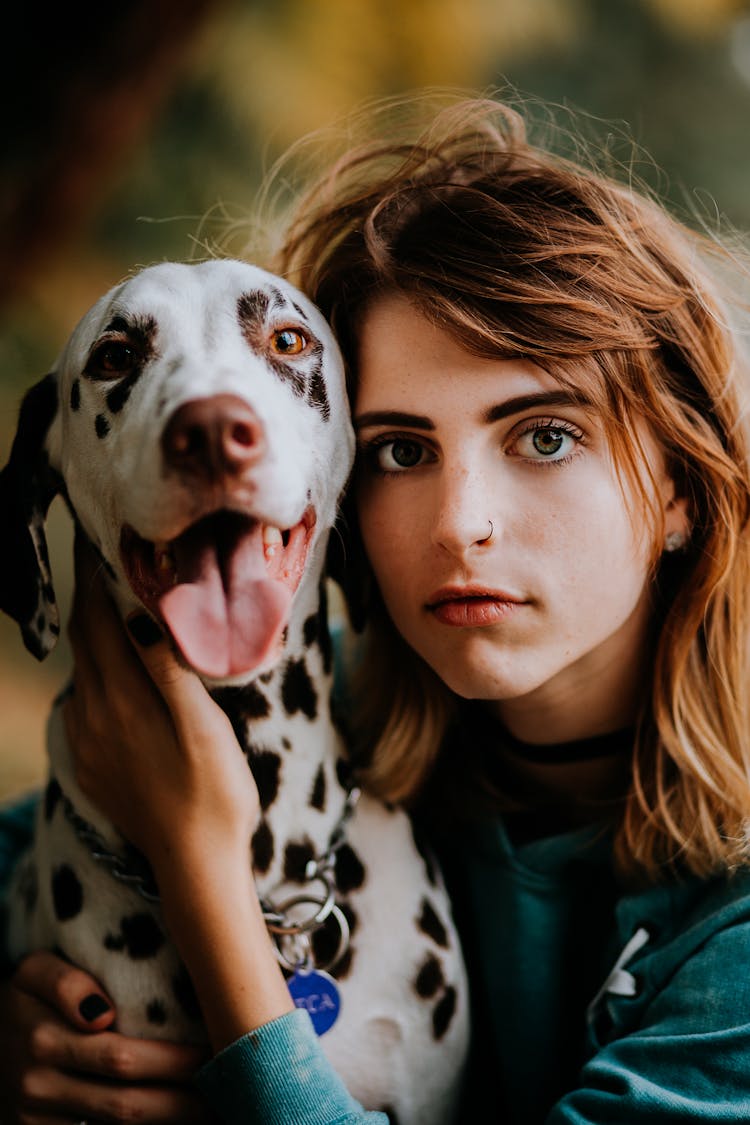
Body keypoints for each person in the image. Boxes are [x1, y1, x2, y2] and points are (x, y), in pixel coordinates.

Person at [2, 92, 750, 1124]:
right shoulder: (342, 718)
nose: (462, 525)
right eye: (402, 449)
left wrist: (201, 873)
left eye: (543, 436)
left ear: (679, 481)